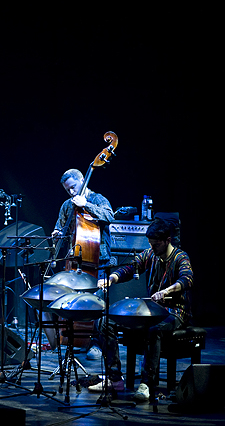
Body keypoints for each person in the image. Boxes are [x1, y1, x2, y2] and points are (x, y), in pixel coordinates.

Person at [87, 217, 194, 402]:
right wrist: (111, 279)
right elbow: (130, 268)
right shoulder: (150, 254)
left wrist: (166, 291)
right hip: (150, 311)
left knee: (154, 329)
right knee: (105, 321)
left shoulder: (180, 257)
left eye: (156, 244)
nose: (152, 248)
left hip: (174, 312)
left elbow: (187, 279)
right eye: (150, 244)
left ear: (167, 240)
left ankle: (147, 383)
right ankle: (115, 378)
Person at [50, 168, 114, 357]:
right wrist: (57, 233)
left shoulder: (97, 199)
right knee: (73, 301)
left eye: (73, 187)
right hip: (75, 261)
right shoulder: (67, 205)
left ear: (82, 180)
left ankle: (97, 344)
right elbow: (60, 226)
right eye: (67, 189)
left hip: (99, 260)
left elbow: (110, 216)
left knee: (97, 304)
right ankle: (75, 339)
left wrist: (86, 204)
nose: (71, 192)